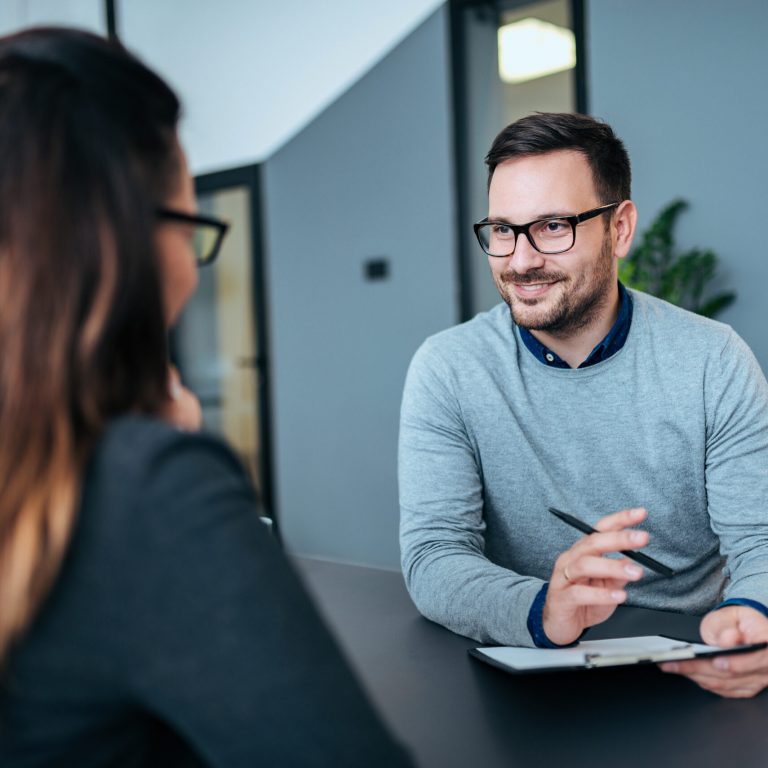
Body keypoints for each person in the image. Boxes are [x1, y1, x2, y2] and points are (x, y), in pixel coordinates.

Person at [0, 27, 414, 766]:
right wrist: (172, 460)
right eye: (193, 227)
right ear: (124, 240)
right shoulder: (146, 493)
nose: (192, 274)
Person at [399, 112, 768, 698]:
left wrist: (754, 614)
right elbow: (435, 556)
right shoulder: (448, 368)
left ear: (619, 229)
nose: (519, 260)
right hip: (529, 666)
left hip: (693, 662)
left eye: (551, 226)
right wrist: (545, 607)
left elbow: (761, 541)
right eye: (502, 229)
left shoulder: (712, 360)